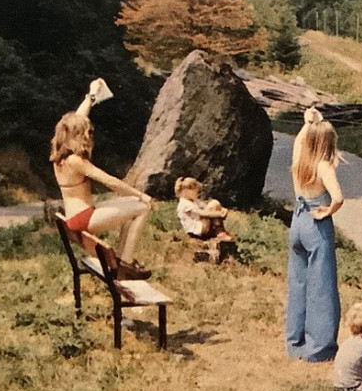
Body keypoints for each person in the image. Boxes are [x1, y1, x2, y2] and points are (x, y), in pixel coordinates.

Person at [51, 80, 155, 265]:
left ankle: (122, 259)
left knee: (133, 203)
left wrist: (91, 95)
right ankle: (125, 261)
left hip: (77, 216)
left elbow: (77, 118)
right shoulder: (76, 161)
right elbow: (110, 181)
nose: (88, 136)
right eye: (85, 133)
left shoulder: (61, 155)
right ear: (76, 135)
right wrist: (142, 194)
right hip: (85, 218)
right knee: (143, 206)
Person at [286, 107, 345, 361]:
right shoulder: (323, 166)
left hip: (297, 221)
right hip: (315, 222)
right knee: (322, 286)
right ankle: (320, 348)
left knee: (298, 283)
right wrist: (328, 210)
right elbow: (339, 197)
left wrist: (309, 121)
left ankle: (295, 343)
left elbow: (300, 139)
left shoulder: (300, 158)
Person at [174, 176, 235, 260]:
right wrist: (219, 214)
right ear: (188, 190)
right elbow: (202, 213)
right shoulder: (184, 204)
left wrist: (223, 210)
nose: (198, 194)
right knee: (213, 205)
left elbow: (206, 206)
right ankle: (220, 233)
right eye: (196, 192)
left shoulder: (193, 201)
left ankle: (221, 232)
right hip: (197, 230)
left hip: (201, 225)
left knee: (214, 203)